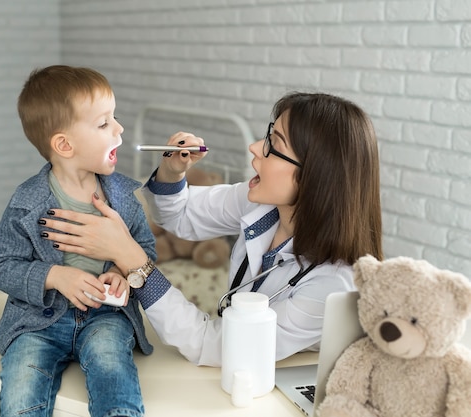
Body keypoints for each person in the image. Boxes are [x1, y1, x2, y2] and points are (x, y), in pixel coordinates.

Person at [37, 91, 383, 366]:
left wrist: (133, 261)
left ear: (315, 175)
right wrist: (173, 173)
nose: (254, 148)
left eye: (274, 144)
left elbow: (219, 346)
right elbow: (182, 216)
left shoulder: (332, 285)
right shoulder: (261, 204)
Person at [0, 65, 156, 417]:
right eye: (104, 123)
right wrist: (54, 276)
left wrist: (121, 274)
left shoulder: (123, 197)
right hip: (37, 323)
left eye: (115, 118)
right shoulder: (26, 202)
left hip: (106, 317)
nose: (119, 129)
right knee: (20, 393)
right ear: (64, 144)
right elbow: (1, 265)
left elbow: (145, 253)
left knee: (113, 371)